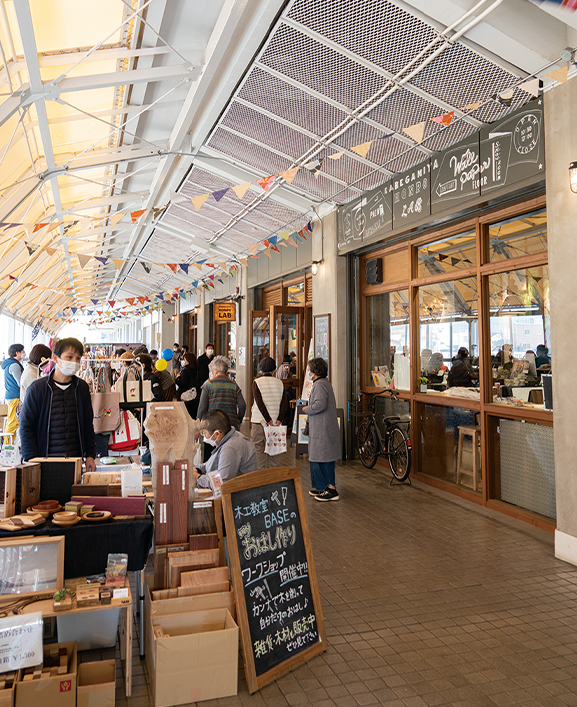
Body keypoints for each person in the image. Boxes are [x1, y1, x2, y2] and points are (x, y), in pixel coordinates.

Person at [20, 337, 96, 471]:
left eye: (78, 358)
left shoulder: (82, 388)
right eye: (69, 357)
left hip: (75, 460)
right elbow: (26, 426)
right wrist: (30, 458)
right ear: (55, 358)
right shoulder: (37, 389)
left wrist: (90, 455)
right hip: (44, 460)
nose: (74, 362)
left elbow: (87, 424)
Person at [303, 357, 341, 502]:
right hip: (323, 428)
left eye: (310, 370)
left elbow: (319, 405)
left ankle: (329, 489)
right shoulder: (324, 383)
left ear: (315, 371)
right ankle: (322, 488)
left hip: (322, 429)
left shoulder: (319, 385)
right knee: (322, 458)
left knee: (322, 459)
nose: (309, 372)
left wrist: (307, 409)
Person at [193, 410, 257, 489]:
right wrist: (198, 469)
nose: (204, 436)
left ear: (217, 434)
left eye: (205, 433)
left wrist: (198, 478)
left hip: (238, 495)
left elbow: (222, 483)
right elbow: (213, 462)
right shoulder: (230, 436)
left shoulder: (231, 448)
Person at [251, 357, 288, 469]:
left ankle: (260, 477)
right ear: (274, 370)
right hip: (276, 422)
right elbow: (284, 403)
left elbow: (259, 403)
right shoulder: (279, 383)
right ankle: (274, 478)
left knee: (258, 449)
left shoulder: (257, 382)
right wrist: (279, 419)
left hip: (259, 421)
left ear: (261, 369)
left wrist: (267, 419)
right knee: (275, 450)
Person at [196, 355, 246, 430]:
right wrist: (238, 420)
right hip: (231, 425)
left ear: (215, 371)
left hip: (212, 425)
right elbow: (242, 405)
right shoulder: (234, 385)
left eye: (211, 371)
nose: (211, 373)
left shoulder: (208, 384)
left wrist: (198, 425)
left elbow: (202, 408)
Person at [2, 343, 24, 441]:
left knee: (12, 420)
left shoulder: (9, 364)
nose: (24, 353)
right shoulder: (14, 365)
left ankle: (9, 444)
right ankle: (7, 446)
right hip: (14, 396)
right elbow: (20, 382)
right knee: (13, 421)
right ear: (17, 353)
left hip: (10, 396)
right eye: (22, 351)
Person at [176, 353, 200, 418]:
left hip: (185, 395)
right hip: (195, 394)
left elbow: (183, 383)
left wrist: (177, 378)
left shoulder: (186, 371)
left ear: (188, 361)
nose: (183, 361)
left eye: (184, 359)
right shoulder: (197, 370)